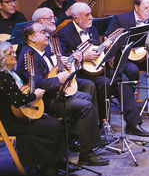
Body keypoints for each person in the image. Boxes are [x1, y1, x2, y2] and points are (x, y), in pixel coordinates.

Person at [17, 22, 108, 167]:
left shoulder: (43, 52)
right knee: (86, 106)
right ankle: (86, 154)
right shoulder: (28, 55)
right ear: (32, 37)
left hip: (55, 95)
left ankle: (82, 140)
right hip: (44, 103)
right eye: (42, 32)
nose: (47, 34)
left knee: (87, 96)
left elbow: (51, 72)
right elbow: (35, 83)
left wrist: (70, 64)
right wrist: (57, 80)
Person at [56, 1, 149, 137]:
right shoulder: (64, 33)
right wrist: (81, 58)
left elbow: (97, 51)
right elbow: (63, 59)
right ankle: (102, 125)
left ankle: (133, 123)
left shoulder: (92, 28)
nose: (91, 18)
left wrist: (106, 49)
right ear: (76, 18)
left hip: (96, 68)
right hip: (80, 73)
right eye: (87, 15)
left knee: (122, 79)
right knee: (104, 83)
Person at [0, 41, 66, 173]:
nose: (14, 56)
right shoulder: (2, 77)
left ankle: (53, 163)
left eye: (14, 53)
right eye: (10, 54)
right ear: (0, 58)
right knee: (53, 126)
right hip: (11, 123)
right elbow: (17, 100)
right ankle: (49, 167)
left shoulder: (10, 74)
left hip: (18, 116)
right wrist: (35, 96)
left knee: (54, 122)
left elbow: (17, 95)